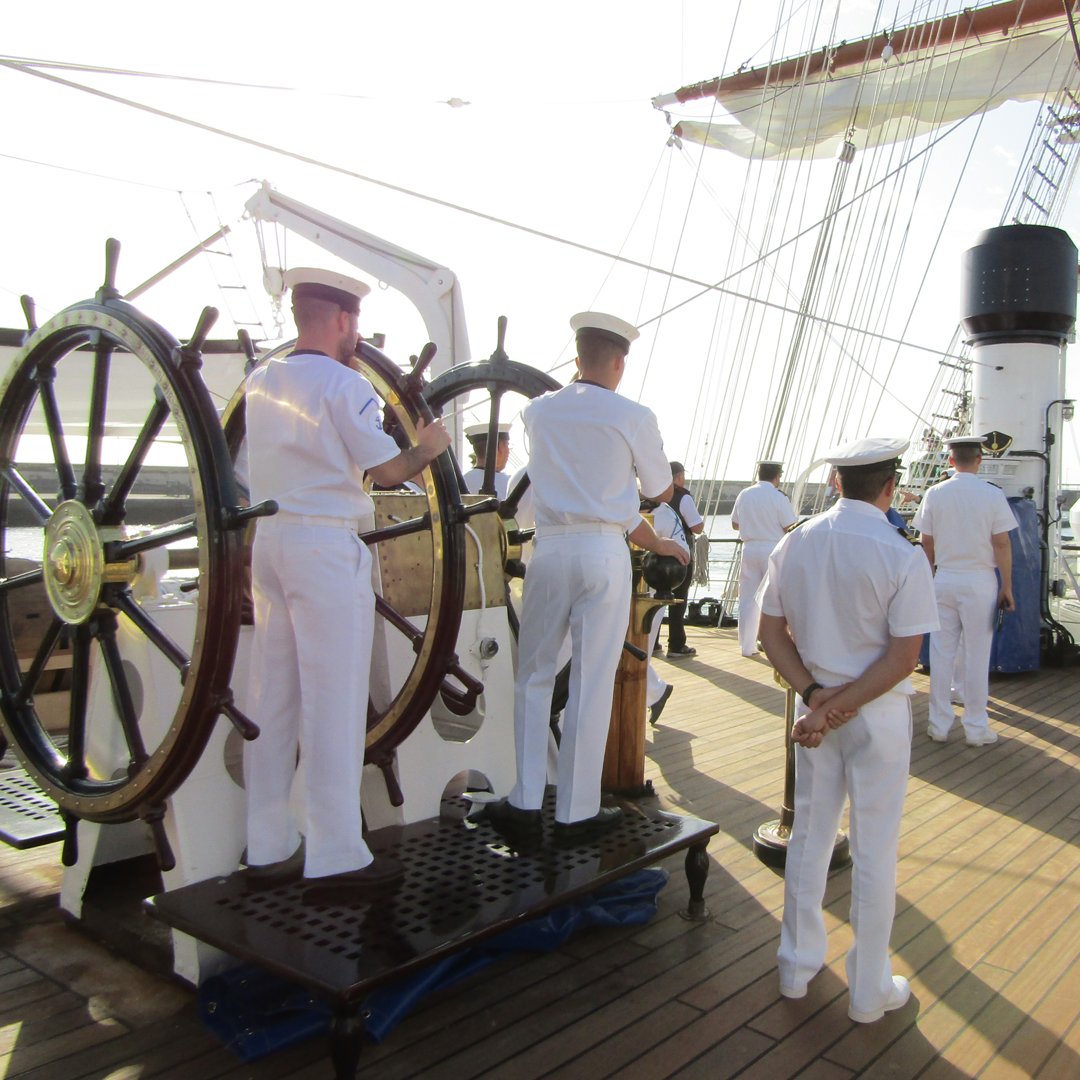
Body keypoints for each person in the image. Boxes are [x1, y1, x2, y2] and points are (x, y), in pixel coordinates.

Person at [243, 267, 451, 904]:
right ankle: (333, 854)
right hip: (325, 549)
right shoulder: (345, 383)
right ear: (341, 320)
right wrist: (427, 446)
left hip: (271, 546)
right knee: (332, 703)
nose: (356, 334)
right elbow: (386, 469)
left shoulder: (260, 382)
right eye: (353, 321)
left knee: (273, 697)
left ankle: (268, 845)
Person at [487, 311, 689, 842]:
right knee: (591, 683)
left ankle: (526, 800)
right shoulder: (634, 414)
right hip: (604, 553)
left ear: (577, 357)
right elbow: (659, 490)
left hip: (550, 551)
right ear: (619, 362)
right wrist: (661, 535)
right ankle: (576, 811)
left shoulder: (537, 412)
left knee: (532, 676)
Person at [757, 436, 938, 1023]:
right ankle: (867, 993)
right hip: (876, 714)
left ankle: (795, 967)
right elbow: (902, 659)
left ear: (836, 481)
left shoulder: (796, 541)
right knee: (874, 849)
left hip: (815, 714)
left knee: (810, 835)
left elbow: (771, 634)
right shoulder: (901, 554)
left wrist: (815, 700)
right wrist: (836, 705)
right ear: (889, 487)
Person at [911, 434, 1017, 746]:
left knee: (941, 653)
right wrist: (1007, 585)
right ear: (980, 460)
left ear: (951, 460)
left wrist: (926, 580)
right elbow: (1001, 543)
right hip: (980, 580)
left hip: (944, 578)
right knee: (976, 654)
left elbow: (925, 543)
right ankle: (975, 727)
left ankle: (939, 724)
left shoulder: (935, 493)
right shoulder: (992, 495)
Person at [731, 460, 797, 656]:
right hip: (772, 549)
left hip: (749, 548)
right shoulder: (779, 498)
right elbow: (790, 527)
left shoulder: (745, 494)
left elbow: (735, 524)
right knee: (774, 599)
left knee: (747, 599)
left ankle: (747, 646)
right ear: (777, 476)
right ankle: (773, 643)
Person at [644, 497, 689, 724]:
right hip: (656, 586)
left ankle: (656, 692)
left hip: (652, 588)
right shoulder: (665, 511)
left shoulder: (657, 516)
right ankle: (655, 692)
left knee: (635, 651)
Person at [664, 462, 705, 658]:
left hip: (655, 551)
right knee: (679, 598)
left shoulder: (652, 497)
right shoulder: (683, 497)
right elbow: (697, 527)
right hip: (680, 551)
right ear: (679, 477)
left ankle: (652, 642)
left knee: (656, 597)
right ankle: (676, 644)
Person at [462, 421, 512, 499]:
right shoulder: (510, 483)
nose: (509, 451)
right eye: (507, 445)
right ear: (499, 447)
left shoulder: (461, 481)